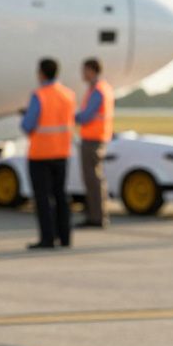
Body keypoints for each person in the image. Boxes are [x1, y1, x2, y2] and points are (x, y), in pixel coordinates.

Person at [21, 57, 76, 249]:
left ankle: (48, 239)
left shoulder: (40, 95)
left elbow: (28, 125)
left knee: (43, 199)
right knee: (61, 196)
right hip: (62, 153)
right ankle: (66, 237)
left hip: (40, 155)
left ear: (41, 73)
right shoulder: (68, 95)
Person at [74, 58, 113, 228]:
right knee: (94, 178)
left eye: (84, 70)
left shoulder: (97, 90)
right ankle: (96, 214)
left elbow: (86, 116)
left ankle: (97, 217)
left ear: (91, 70)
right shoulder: (102, 88)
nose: (82, 74)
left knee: (92, 179)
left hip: (93, 139)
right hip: (98, 137)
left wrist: (68, 116)